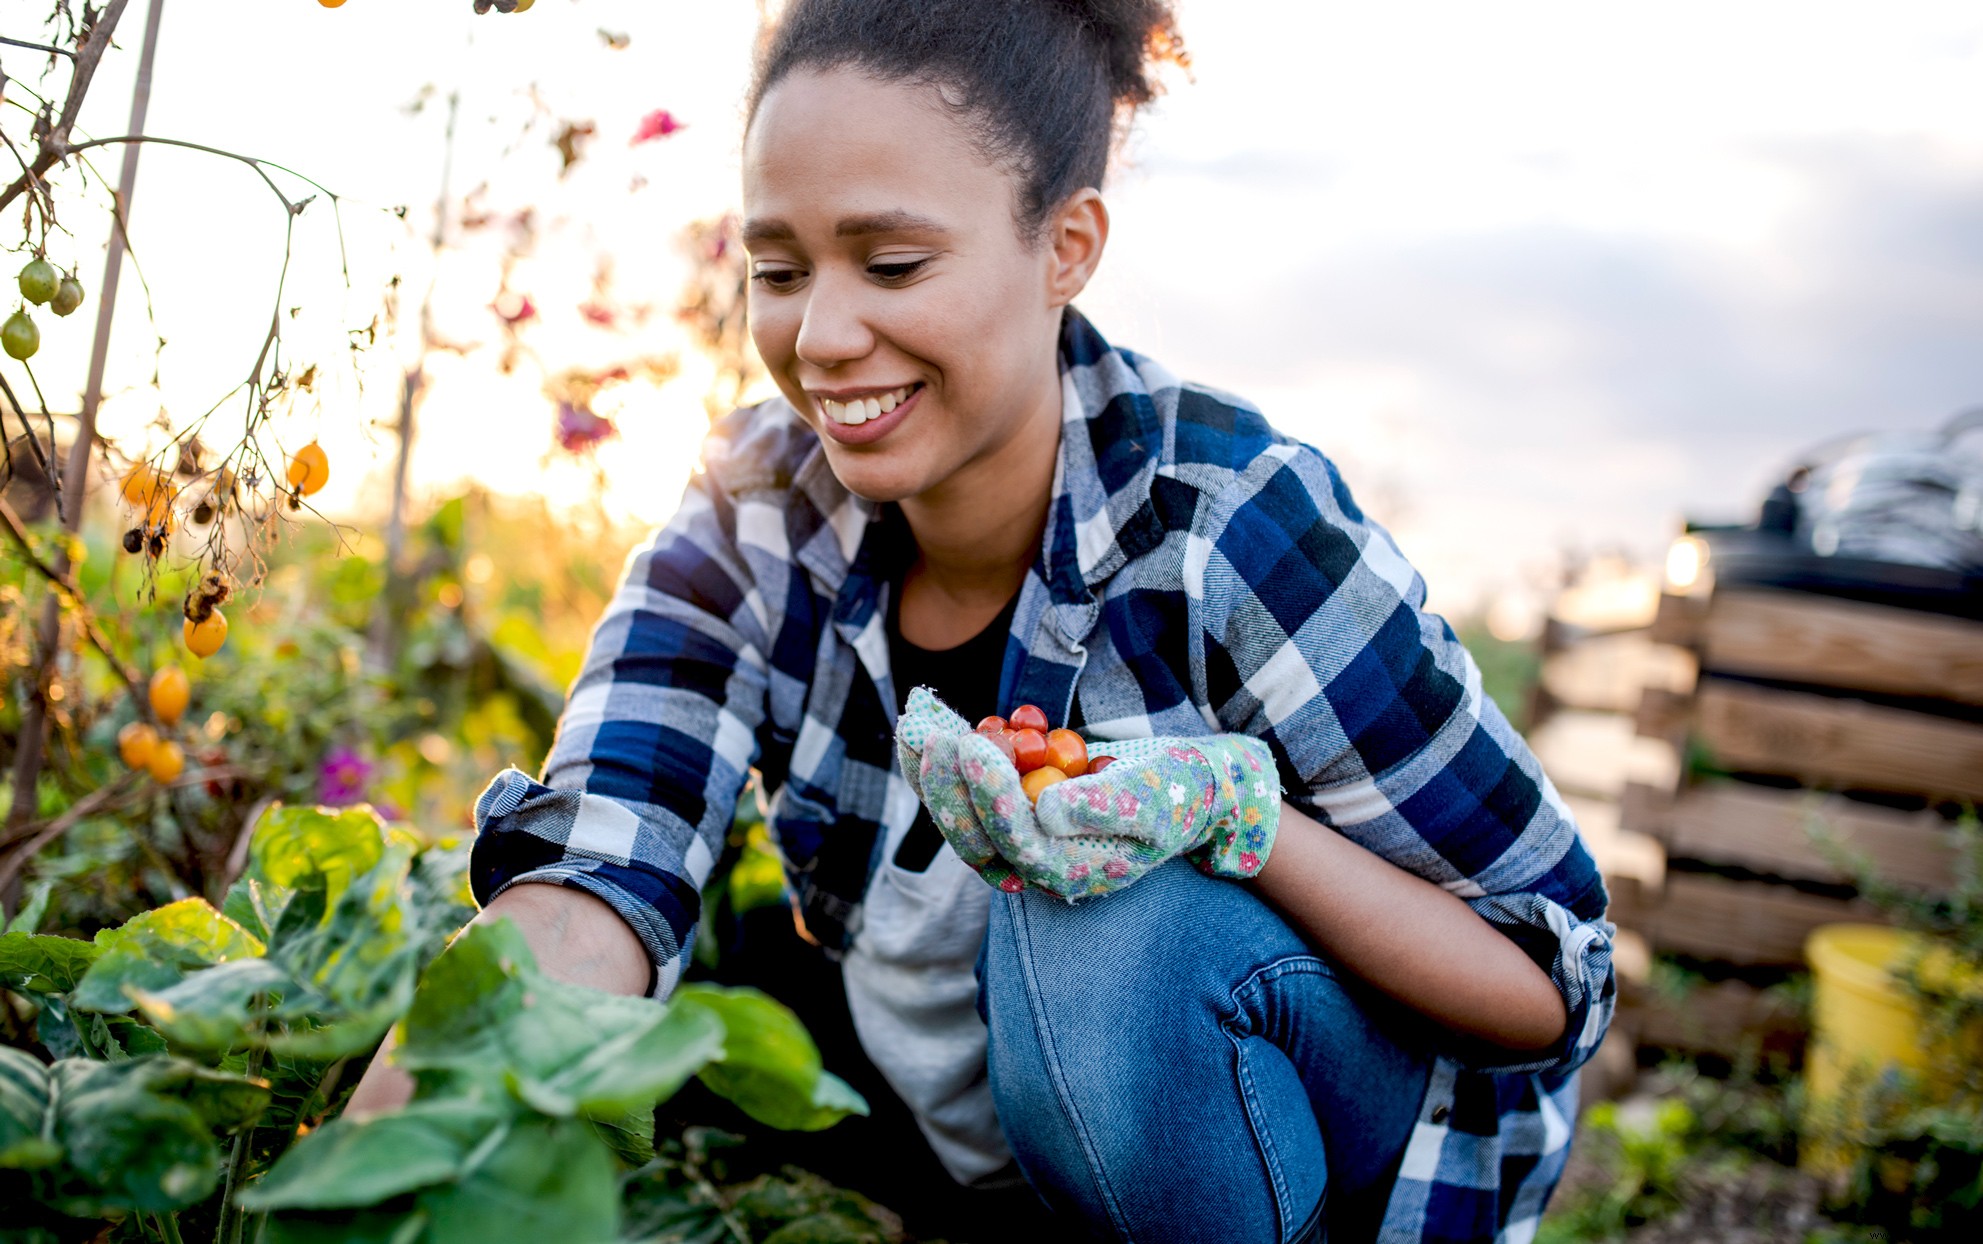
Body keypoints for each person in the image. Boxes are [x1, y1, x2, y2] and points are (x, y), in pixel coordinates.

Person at [348, 2, 1617, 1240]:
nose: (824, 335)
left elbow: (1540, 979)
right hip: (965, 1117)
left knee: (1098, 929)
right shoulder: (750, 514)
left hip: (1304, 1132)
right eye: (778, 269)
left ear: (1066, 247)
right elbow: (599, 875)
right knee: (719, 998)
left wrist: (1242, 814)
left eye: (893, 264)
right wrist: (364, 1174)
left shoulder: (1226, 523)